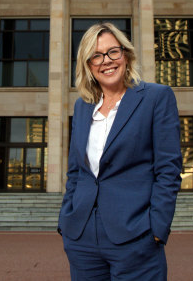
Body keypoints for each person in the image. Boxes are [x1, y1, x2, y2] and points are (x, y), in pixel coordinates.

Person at [58, 22, 183, 280]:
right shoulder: (83, 107)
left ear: (125, 55)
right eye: (97, 55)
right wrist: (66, 222)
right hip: (81, 239)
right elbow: (76, 172)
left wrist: (156, 229)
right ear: (88, 65)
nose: (107, 61)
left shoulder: (156, 97)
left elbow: (168, 170)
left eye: (113, 52)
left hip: (135, 236)